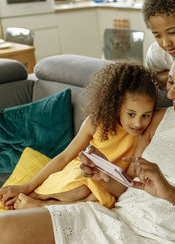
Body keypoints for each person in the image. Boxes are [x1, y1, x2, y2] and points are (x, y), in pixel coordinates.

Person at [0, 40, 175, 243]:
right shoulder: (155, 119)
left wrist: (174, 195)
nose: (171, 93)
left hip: (164, 237)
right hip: (114, 220)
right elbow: (130, 189)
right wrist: (104, 175)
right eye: (170, 82)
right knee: (6, 229)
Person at [0, 62, 156, 210]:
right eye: (131, 114)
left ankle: (41, 205)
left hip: (108, 184)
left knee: (97, 201)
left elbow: (127, 181)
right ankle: (34, 196)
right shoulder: (96, 122)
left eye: (146, 115)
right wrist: (27, 187)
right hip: (82, 173)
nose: (138, 123)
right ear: (116, 106)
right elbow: (64, 157)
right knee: (81, 189)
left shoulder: (142, 135)